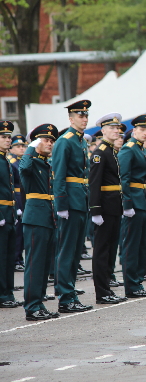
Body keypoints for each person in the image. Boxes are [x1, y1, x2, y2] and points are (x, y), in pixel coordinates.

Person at [51, 100, 94, 313]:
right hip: (70, 200)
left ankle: (71, 293)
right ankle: (65, 297)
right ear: (70, 118)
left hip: (80, 199)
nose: (84, 119)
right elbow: (58, 174)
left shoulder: (80, 141)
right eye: (80, 116)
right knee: (67, 250)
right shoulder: (65, 141)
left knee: (76, 250)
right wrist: (61, 204)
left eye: (86, 115)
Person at [20, 124, 60, 320]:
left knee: (44, 264)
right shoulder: (31, 161)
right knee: (35, 264)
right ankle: (31, 306)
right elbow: (24, 168)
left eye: (52, 141)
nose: (50, 143)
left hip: (47, 217)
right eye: (46, 140)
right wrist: (30, 148)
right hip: (35, 218)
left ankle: (39, 302)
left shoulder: (46, 163)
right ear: (36, 142)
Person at [89, 113, 128, 305]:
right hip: (104, 207)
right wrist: (95, 210)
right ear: (103, 131)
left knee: (110, 249)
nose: (116, 131)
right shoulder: (100, 152)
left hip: (113, 206)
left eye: (118, 128)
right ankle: (101, 292)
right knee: (102, 251)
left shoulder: (111, 151)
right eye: (112, 128)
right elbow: (94, 183)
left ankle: (107, 289)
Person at [118, 114, 146, 298]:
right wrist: (127, 204)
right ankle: (131, 285)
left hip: (142, 201)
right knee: (131, 246)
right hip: (133, 201)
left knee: (141, 245)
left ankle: (138, 282)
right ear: (134, 131)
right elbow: (123, 178)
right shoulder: (128, 149)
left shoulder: (139, 150)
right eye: (142, 130)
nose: (145, 133)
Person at [0, 120, 20, 308]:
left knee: (9, 256)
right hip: (1, 214)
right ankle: (2, 294)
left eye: (9, 137)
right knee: (1, 256)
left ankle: (7, 293)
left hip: (9, 212)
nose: (8, 140)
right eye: (4, 137)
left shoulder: (5, 159)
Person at [9, 134, 26, 272]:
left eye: (23, 146)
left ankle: (19, 258)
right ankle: (15, 260)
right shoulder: (11, 162)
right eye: (18, 146)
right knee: (17, 232)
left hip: (22, 197)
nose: (21, 148)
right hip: (16, 198)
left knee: (21, 232)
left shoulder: (21, 161)